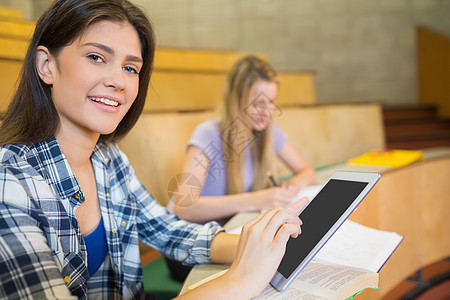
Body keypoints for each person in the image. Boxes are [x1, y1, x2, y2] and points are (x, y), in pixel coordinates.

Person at [0, 0, 309, 299]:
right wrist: (240, 280)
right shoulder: (8, 184)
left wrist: (262, 244)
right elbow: (183, 206)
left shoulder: (110, 160)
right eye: (96, 57)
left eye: (131, 68)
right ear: (46, 66)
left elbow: (168, 230)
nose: (118, 81)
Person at [170, 56, 316, 224]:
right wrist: (257, 199)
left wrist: (293, 185)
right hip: (191, 237)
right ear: (236, 102)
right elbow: (184, 207)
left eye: (272, 102)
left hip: (232, 229)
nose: (267, 112)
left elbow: (308, 171)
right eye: (258, 104)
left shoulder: (267, 130)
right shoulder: (208, 134)